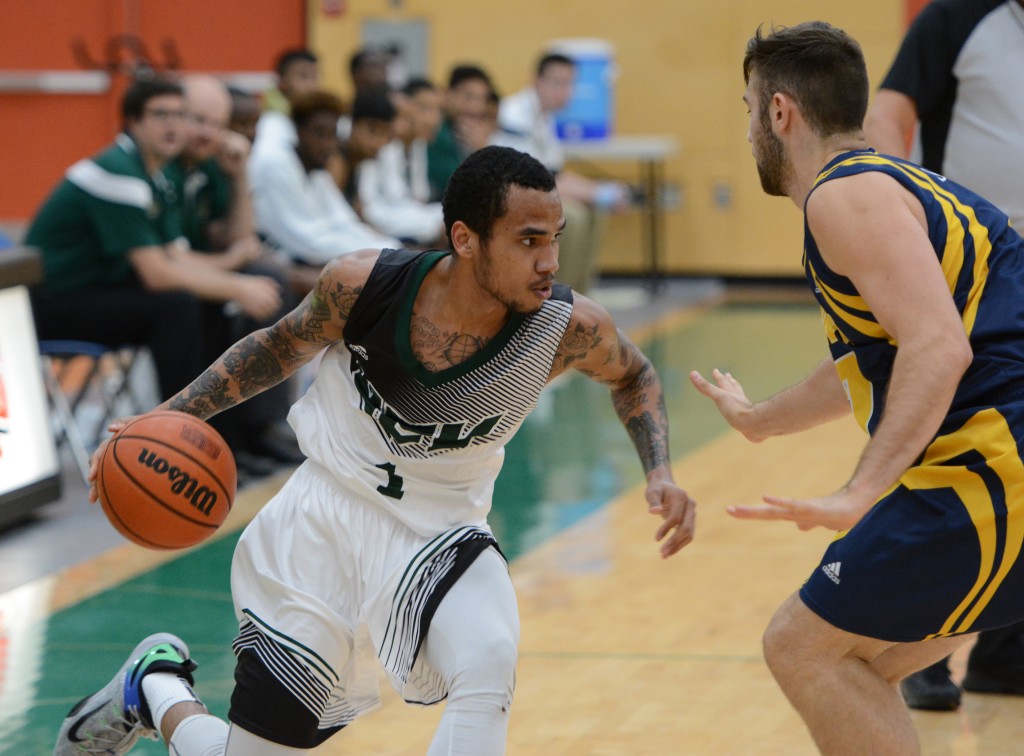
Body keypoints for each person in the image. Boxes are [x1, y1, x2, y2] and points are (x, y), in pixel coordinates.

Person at [55, 145, 696, 755]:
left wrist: (659, 472)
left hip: (443, 530)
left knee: (488, 659)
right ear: (466, 239)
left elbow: (634, 375)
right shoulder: (363, 286)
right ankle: (155, 687)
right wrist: (168, 417)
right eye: (529, 241)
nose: (550, 261)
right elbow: (277, 347)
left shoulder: (566, 326)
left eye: (553, 238)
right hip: (319, 523)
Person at [690, 21, 1024, 754]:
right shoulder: (897, 184)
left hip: (997, 461)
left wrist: (859, 491)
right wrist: (758, 420)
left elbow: (938, 348)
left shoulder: (843, 198)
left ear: (780, 112)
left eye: (749, 108)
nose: (749, 130)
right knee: (864, 658)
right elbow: (879, 361)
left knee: (802, 646)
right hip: (1001, 463)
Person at [862, 0, 1024, 708]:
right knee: (945, 451)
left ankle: (1004, 652)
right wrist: (899, 220)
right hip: (967, 268)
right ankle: (915, 648)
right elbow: (887, 116)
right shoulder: (956, 17)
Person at [25, 78, 280, 402]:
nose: (173, 125)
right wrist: (237, 286)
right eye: (161, 115)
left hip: (92, 291)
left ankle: (221, 432)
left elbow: (175, 257)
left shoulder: (155, 175)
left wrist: (232, 280)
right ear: (134, 121)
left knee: (203, 301)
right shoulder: (118, 172)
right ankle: (177, 431)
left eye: (180, 115)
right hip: (50, 305)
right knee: (177, 306)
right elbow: (157, 273)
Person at [170, 75, 301, 475]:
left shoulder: (211, 167)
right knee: (202, 302)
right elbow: (169, 263)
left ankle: (261, 425)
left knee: (271, 276)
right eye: (199, 120)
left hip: (182, 275)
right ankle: (206, 440)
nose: (209, 133)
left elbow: (239, 238)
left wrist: (239, 174)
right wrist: (232, 275)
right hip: (119, 290)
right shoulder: (163, 167)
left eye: (216, 123)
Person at [498, 53, 629, 294]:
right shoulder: (514, 114)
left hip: (534, 191)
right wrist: (598, 192)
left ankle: (580, 294)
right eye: (557, 82)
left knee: (595, 211)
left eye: (569, 83)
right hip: (510, 197)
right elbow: (538, 180)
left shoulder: (545, 117)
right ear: (536, 81)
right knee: (573, 217)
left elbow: (556, 172)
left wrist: (603, 192)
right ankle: (556, 298)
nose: (564, 91)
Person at [248, 90, 398, 292]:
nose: (327, 145)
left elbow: (344, 222)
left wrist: (394, 251)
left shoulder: (317, 169)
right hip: (275, 263)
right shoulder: (275, 164)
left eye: (332, 136)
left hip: (311, 255)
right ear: (298, 131)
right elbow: (307, 242)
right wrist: (383, 256)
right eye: (319, 134)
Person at [357, 77, 446, 246]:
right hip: (384, 220)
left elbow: (417, 197)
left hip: (404, 215)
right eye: (425, 109)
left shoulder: (417, 144)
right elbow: (369, 209)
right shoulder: (381, 143)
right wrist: (430, 226)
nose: (433, 119)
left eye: (438, 110)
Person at [426, 64, 495, 201]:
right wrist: (482, 152)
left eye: (482, 99)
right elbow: (462, 186)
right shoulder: (436, 131)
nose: (476, 107)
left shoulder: (464, 132)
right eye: (468, 97)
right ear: (447, 94)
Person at [255, 49, 321, 153]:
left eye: (315, 77)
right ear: (282, 81)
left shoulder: (314, 118)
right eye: (303, 76)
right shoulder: (271, 122)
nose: (311, 85)